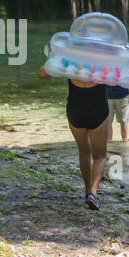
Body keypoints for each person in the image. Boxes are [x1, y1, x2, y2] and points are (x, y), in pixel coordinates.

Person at [38, 56, 110, 210]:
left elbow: (42, 74)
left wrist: (56, 56)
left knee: (84, 152)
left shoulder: (69, 57)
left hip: (75, 110)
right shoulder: (104, 57)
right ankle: (93, 192)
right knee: (100, 156)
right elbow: (120, 79)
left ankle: (86, 191)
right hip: (98, 110)